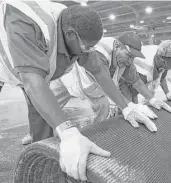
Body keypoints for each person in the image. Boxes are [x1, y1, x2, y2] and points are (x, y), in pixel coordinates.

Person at [0, 0, 158, 181]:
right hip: (6, 68)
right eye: (88, 47)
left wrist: (127, 108)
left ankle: (39, 165)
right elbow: (32, 81)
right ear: (70, 34)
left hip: (26, 72)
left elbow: (99, 72)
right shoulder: (26, 21)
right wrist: (68, 132)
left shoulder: (75, 30)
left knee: (42, 114)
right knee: (45, 108)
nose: (89, 51)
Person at [126, 40, 171, 105]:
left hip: (140, 79)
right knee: (128, 103)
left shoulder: (163, 55)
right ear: (163, 60)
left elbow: (162, 78)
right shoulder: (144, 67)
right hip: (125, 84)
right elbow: (132, 91)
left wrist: (168, 93)